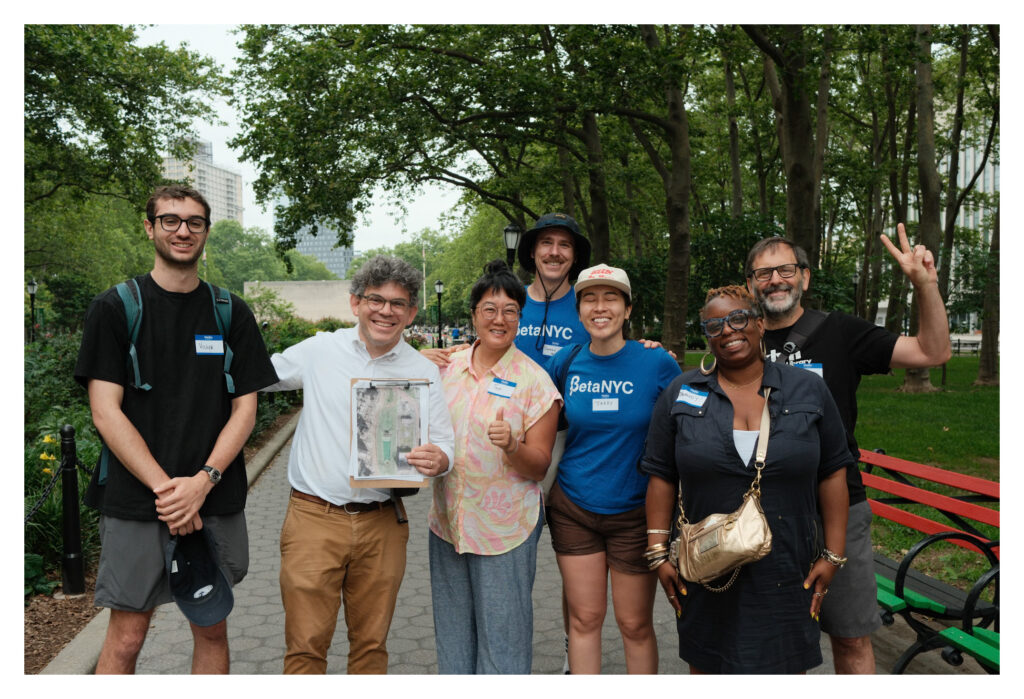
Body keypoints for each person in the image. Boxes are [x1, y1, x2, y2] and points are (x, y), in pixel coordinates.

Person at [75, 184, 278, 674]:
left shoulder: (231, 312)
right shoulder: (115, 308)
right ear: (150, 228)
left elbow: (244, 411)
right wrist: (170, 493)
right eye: (170, 220)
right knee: (127, 636)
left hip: (214, 493)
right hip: (138, 498)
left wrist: (203, 481)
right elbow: (105, 412)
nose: (183, 230)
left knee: (212, 625)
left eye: (194, 222)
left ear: (207, 231)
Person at [744, 226, 952, 674]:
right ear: (749, 285)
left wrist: (926, 286)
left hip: (838, 509)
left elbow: (932, 352)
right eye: (763, 273)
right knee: (774, 640)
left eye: (785, 269)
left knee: (852, 637)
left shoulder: (839, 331)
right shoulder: (739, 341)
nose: (775, 280)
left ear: (805, 278)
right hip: (761, 513)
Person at [641, 285, 851, 674]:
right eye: (714, 325)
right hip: (707, 566)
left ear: (758, 324)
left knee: (784, 669)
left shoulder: (808, 388)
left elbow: (833, 472)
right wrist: (657, 552)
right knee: (710, 666)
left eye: (738, 319)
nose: (728, 331)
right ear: (706, 335)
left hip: (788, 567)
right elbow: (661, 475)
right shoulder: (680, 392)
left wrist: (833, 555)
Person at [263, 255, 456, 674]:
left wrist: (439, 459)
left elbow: (444, 444)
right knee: (305, 649)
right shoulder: (320, 350)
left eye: (398, 303)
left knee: (371, 649)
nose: (386, 311)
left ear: (411, 313)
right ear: (355, 303)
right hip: (315, 518)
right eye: (376, 299)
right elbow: (258, 376)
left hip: (383, 524)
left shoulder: (422, 370)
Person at [544, 264, 681, 674]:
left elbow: (685, 428)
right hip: (574, 508)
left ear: (627, 309)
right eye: (589, 298)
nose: (599, 307)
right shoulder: (565, 363)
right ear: (579, 308)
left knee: (634, 624)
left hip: (636, 513)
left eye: (610, 298)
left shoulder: (656, 363)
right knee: (584, 620)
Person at [427, 260, 562, 674]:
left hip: (506, 531)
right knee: (453, 638)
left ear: (520, 317)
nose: (498, 319)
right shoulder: (444, 368)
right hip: (448, 524)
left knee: (503, 641)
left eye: (509, 311)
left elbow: (538, 467)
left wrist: (513, 446)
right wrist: (412, 357)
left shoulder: (535, 382)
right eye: (489, 309)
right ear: (473, 315)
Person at [515, 212, 592, 366]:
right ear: (532, 252)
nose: (555, 252)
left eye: (564, 245)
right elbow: (484, 351)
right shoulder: (510, 301)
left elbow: (614, 355)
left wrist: (646, 350)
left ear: (575, 256)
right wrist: (463, 353)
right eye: (546, 242)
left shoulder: (590, 308)